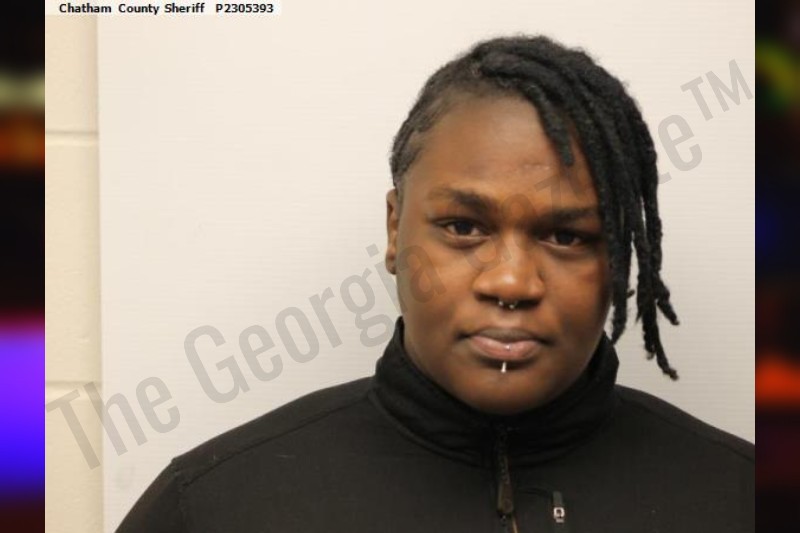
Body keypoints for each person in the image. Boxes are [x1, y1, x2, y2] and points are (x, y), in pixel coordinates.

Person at [117, 35, 754, 533]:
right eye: (463, 227)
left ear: (620, 256)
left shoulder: (742, 499)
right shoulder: (215, 506)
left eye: (567, 236)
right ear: (395, 229)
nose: (511, 281)